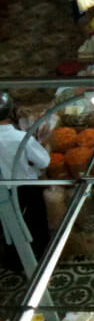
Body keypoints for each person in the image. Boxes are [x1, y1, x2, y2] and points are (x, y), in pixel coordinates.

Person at [0, 92, 50, 268]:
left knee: (9, 224)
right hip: (27, 186)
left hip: (3, 190)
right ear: (10, 112)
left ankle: (14, 260)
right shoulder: (19, 138)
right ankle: (42, 260)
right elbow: (44, 161)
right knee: (35, 222)